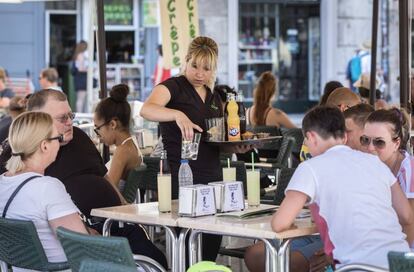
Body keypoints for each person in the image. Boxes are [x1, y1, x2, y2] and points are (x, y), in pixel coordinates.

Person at [0, 89, 167, 268]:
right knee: (153, 263)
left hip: (100, 230)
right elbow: (81, 244)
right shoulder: (45, 186)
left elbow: (104, 178)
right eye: (61, 119)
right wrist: (91, 233)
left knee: (154, 255)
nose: (69, 122)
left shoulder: (9, 179)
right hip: (82, 255)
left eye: (71, 115)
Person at [141, 36, 250, 263]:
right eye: (195, 66)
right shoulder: (174, 86)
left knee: (210, 248)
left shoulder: (213, 97)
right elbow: (147, 110)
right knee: (187, 249)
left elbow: (214, 139)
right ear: (186, 61)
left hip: (213, 178)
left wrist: (234, 146)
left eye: (206, 69)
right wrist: (176, 114)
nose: (200, 73)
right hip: (183, 178)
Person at [271, 106, 412, 269]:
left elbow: (279, 224)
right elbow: (407, 216)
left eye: (306, 141)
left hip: (358, 266)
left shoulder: (310, 168)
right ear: (344, 137)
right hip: (401, 263)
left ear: (311, 137)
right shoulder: (375, 163)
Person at [0, 111, 88, 270]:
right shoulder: (47, 188)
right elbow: (82, 247)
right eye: (58, 138)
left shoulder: (2, 183)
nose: (60, 144)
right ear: (45, 145)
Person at [362, 108, 414, 244]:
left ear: (396, 143)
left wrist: (396, 263)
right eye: (365, 140)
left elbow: (409, 225)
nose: (370, 148)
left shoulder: (409, 171)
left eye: (379, 142)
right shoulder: (371, 167)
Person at [94, 83, 142, 199]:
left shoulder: (122, 151)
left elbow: (108, 191)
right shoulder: (131, 145)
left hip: (109, 214)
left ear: (112, 124)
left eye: (98, 129)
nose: (98, 135)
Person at [72, 41, 88, 112]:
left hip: (78, 78)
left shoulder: (77, 55)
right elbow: (81, 68)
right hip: (81, 78)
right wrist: (89, 69)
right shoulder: (81, 55)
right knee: (81, 99)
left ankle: (79, 113)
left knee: (80, 98)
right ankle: (80, 114)